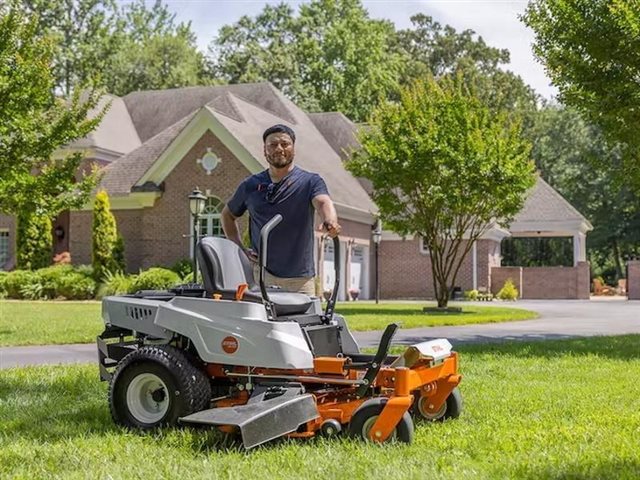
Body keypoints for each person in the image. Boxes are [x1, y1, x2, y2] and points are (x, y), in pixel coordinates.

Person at [221, 124, 341, 296]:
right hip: (261, 276)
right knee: (262, 322)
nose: (279, 149)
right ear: (264, 150)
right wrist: (239, 247)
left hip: (300, 280)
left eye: (285, 144)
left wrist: (330, 220)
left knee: (304, 322)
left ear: (293, 148)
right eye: (272, 144)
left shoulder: (310, 182)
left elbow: (323, 202)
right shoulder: (250, 185)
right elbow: (227, 215)